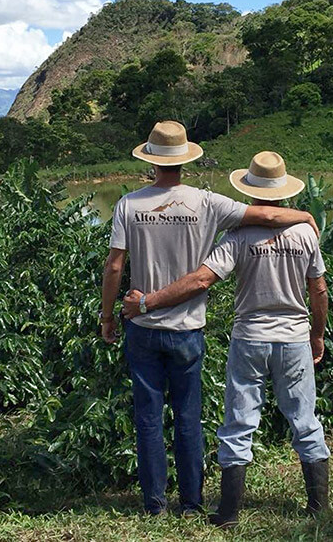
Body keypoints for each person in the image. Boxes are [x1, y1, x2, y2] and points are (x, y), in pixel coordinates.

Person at [100, 122, 319, 516]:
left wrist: (109, 316)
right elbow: (267, 218)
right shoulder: (209, 203)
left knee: (148, 417)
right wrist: (303, 214)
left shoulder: (128, 204)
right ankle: (192, 502)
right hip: (189, 329)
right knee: (188, 416)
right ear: (187, 159)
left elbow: (115, 265)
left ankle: (154, 505)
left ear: (151, 161)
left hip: (143, 326)